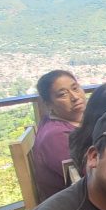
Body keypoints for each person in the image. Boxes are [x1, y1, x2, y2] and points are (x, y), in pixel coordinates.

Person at [31, 69, 86, 202]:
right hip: (71, 208)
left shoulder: (68, 120)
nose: (75, 97)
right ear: (48, 103)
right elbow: (87, 176)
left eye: (75, 88)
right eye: (62, 94)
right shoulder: (56, 136)